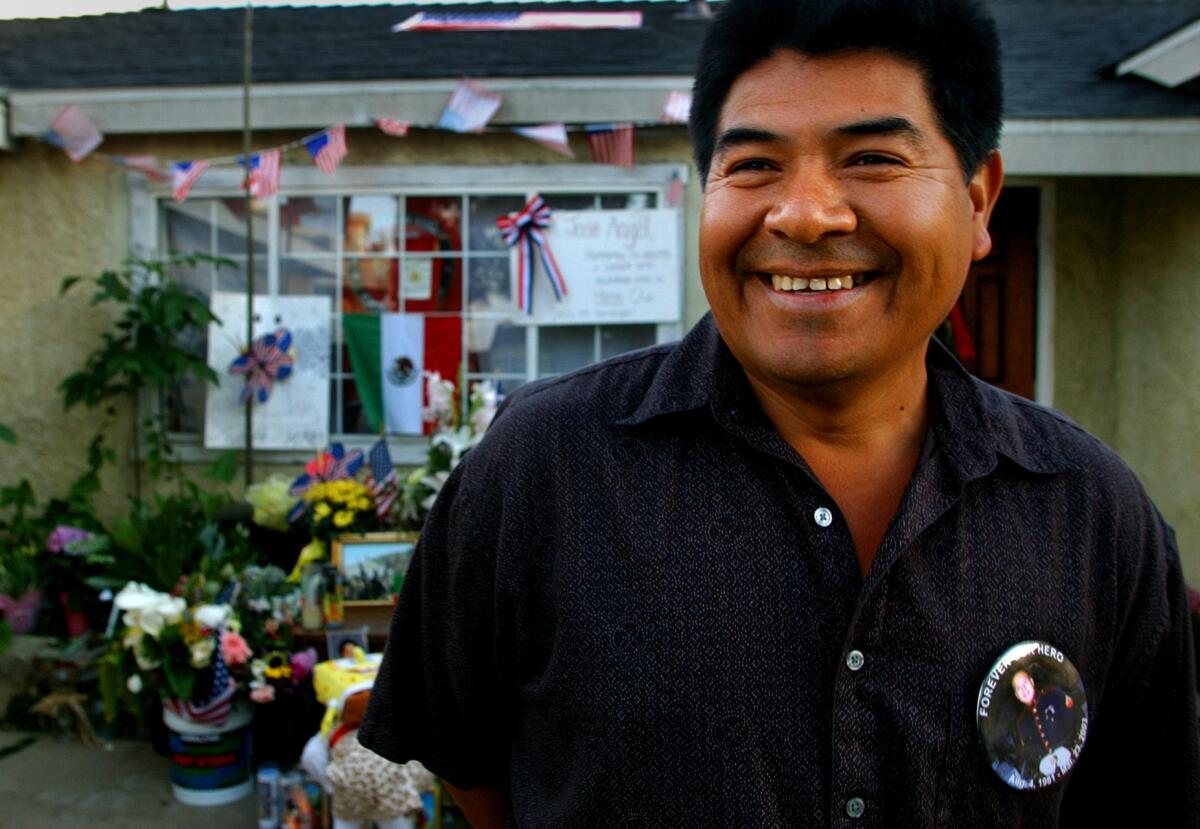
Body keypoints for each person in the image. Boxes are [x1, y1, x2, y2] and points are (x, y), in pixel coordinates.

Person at [360, 0, 1200, 825]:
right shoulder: (539, 470)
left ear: (980, 198)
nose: (803, 213)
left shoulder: (1092, 516)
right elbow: (473, 771)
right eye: (755, 164)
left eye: (872, 157)